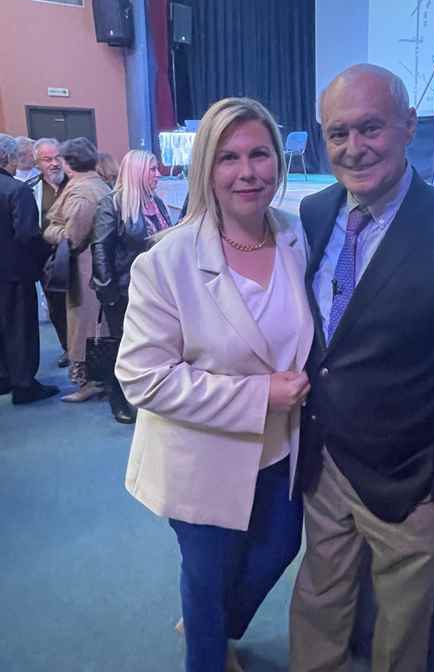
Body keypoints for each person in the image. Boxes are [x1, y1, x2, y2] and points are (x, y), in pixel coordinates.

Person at [289, 64, 434, 672]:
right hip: (325, 461)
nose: (354, 147)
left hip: (411, 476)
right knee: (318, 599)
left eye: (371, 128)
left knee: (402, 629)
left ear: (408, 126)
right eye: (338, 133)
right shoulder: (314, 214)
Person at [115, 97, 313, 672]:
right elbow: (142, 377)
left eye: (259, 154)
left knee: (279, 549)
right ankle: (207, 648)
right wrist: (260, 396)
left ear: (279, 161)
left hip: (281, 451)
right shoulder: (167, 261)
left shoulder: (299, 240)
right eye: (228, 157)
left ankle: (214, 624)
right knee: (208, 578)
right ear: (205, 168)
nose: (246, 172)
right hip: (200, 456)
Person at [91, 150, 171, 424]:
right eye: (152, 170)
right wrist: (108, 293)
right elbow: (101, 249)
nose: (158, 174)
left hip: (156, 291)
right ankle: (118, 399)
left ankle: (148, 397)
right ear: (137, 172)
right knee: (122, 348)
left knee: (151, 347)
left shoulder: (157, 203)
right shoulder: (112, 204)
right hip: (124, 291)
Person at [44, 137, 111, 402]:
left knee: (84, 327)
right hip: (95, 268)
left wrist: (51, 230)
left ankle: (90, 383)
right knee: (97, 326)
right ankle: (98, 379)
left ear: (68, 162)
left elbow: (72, 237)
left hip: (85, 271)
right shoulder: (99, 185)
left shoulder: (82, 192)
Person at [0, 135, 59, 404]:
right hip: (15, 273)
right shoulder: (16, 190)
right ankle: (24, 385)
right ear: (7, 158)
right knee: (20, 329)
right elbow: (27, 235)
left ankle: (4, 378)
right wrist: (46, 258)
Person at [28, 139, 69, 367]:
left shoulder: (74, 183)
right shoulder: (32, 188)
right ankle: (68, 348)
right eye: (47, 159)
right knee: (56, 307)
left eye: (57, 158)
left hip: (75, 255)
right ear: (37, 163)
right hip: (48, 259)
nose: (54, 164)